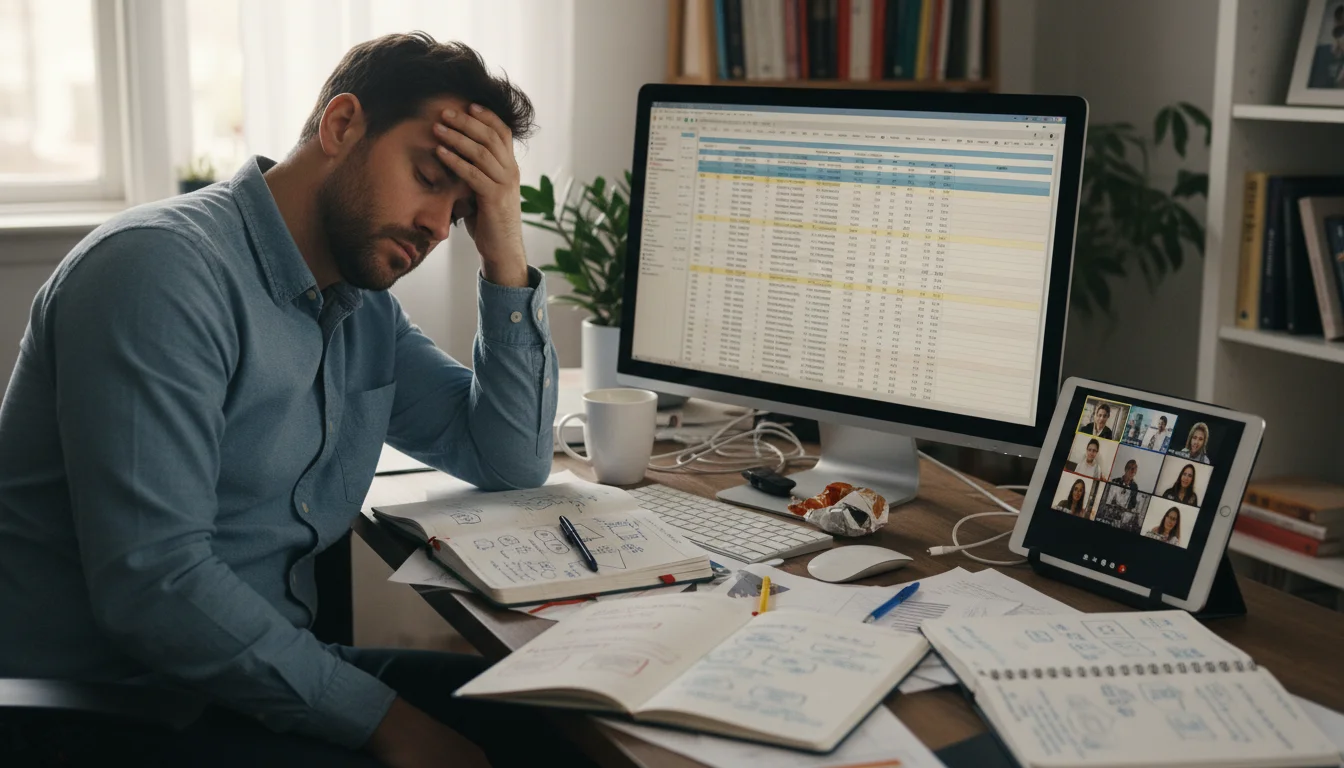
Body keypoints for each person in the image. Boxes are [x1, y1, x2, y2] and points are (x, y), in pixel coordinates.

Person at [0, 34, 588, 767]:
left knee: (565, 724)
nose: (440, 227)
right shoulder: (159, 274)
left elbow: (508, 459)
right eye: (430, 176)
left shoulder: (360, 306)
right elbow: (156, 589)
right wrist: (391, 725)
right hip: (115, 713)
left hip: (251, 684)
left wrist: (504, 247)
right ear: (342, 126)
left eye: (463, 210)